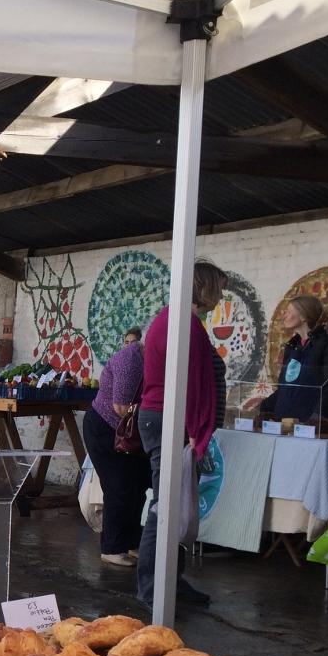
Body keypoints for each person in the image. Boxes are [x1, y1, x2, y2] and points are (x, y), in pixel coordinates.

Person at [135, 261, 228, 609]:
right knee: (166, 506)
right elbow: (185, 381)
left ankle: (171, 582)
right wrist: (193, 430)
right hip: (169, 421)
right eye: (218, 287)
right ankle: (152, 587)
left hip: (169, 420)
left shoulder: (178, 319)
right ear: (203, 287)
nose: (220, 295)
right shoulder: (182, 322)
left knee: (173, 504)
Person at [82, 334, 151, 568]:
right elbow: (121, 407)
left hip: (129, 434)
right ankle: (111, 547)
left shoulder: (146, 359)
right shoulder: (131, 359)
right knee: (118, 487)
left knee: (137, 486)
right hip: (105, 428)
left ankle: (131, 543)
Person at [259, 295, 328, 424]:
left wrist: (319, 418)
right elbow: (285, 386)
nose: (284, 316)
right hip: (285, 421)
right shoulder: (293, 345)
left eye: (289, 311)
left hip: (311, 422)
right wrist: (266, 409)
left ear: (304, 316)